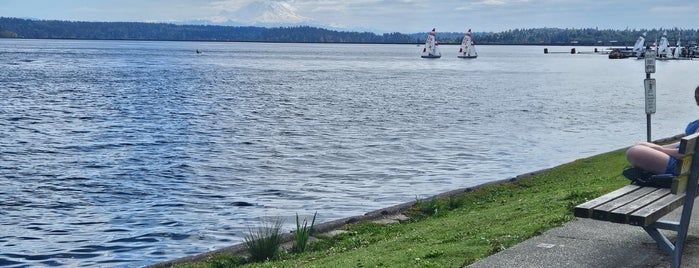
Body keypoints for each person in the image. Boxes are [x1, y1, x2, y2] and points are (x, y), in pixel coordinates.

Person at [626, 85, 699, 175]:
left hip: (681, 165)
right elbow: (684, 144)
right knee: (640, 144)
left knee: (633, 152)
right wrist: (661, 147)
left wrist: (661, 150)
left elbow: (686, 152)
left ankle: (647, 173)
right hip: (683, 161)